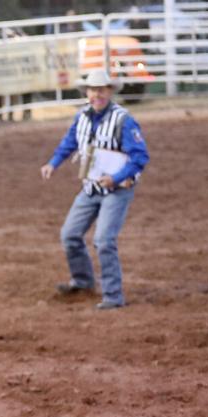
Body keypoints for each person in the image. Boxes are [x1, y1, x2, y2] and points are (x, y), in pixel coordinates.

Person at [39, 69, 150, 309]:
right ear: (87, 92)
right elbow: (69, 142)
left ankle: (113, 296)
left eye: (101, 90)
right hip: (91, 187)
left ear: (109, 92)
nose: (96, 95)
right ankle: (83, 281)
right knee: (70, 235)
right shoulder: (82, 117)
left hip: (117, 189)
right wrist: (53, 163)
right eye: (92, 90)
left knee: (104, 240)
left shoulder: (123, 120)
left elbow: (140, 157)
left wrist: (116, 177)